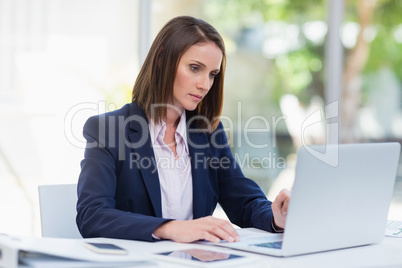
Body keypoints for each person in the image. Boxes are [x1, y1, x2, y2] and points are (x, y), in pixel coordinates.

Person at [76, 15, 291, 243]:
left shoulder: (208, 134)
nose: (205, 84)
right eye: (195, 68)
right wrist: (169, 228)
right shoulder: (108, 130)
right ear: (161, 59)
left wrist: (277, 216)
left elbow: (244, 202)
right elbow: (92, 215)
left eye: (212, 75)